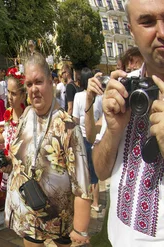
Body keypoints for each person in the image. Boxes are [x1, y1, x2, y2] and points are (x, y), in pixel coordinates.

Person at [92, 0, 164, 244]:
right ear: (131, 31)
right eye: (147, 22)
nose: (161, 32)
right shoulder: (125, 88)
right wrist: (113, 131)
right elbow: (100, 171)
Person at [5, 52, 92, 246]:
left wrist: (79, 230)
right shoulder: (27, 115)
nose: (33, 89)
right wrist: (10, 164)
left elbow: (83, 188)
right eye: (29, 84)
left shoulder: (68, 127)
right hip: (28, 217)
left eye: (38, 82)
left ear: (51, 82)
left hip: (59, 222)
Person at [0, 67, 27, 191]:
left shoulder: (27, 118)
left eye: (14, 94)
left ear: (23, 96)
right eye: (8, 92)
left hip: (20, 171)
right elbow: (6, 136)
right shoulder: (8, 113)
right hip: (7, 167)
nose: (9, 97)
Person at [72, 68, 103, 212]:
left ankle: (86, 200)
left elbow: (75, 120)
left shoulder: (78, 96)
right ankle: (96, 202)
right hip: (98, 138)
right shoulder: (100, 97)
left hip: (84, 138)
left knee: (84, 171)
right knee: (95, 171)